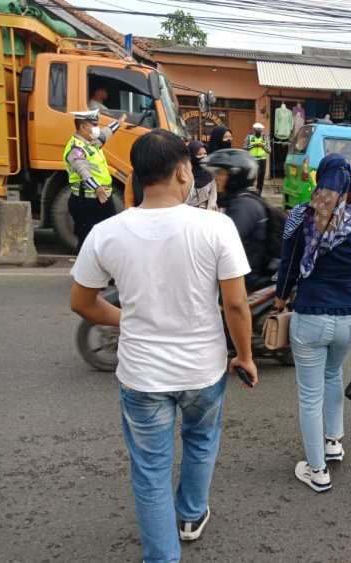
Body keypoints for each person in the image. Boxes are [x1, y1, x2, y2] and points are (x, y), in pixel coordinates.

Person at [69, 129, 256, 562]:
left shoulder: (107, 232)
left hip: (142, 376)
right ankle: (191, 515)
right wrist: (244, 356)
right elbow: (235, 304)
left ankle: (162, 556)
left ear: (137, 176)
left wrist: (127, 319)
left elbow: (82, 302)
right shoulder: (215, 226)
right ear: (181, 172)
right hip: (203, 370)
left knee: (150, 471)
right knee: (201, 440)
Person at [274, 153, 351, 493]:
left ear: (318, 179)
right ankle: (333, 442)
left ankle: (317, 470)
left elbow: (289, 265)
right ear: (350, 183)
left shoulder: (301, 216)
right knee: (333, 374)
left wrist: (280, 298)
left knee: (309, 396)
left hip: (310, 318)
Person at [201, 148, 273, 290]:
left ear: (236, 176)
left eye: (221, 173)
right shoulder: (237, 200)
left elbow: (224, 243)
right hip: (238, 271)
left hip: (246, 277)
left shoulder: (244, 205)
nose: (217, 177)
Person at [64, 109, 126, 252]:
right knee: (87, 240)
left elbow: (106, 133)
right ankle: (84, 273)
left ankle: (104, 271)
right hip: (87, 202)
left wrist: (119, 122)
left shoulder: (91, 143)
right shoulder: (76, 149)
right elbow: (83, 170)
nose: (97, 128)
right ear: (83, 127)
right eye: (94, 124)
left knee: (108, 238)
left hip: (103, 198)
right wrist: (97, 188)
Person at [185, 141, 218, 210]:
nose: (203, 156)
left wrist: (209, 212)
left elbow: (213, 195)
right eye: (199, 154)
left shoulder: (210, 172)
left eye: (205, 154)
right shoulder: (185, 175)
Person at [243, 122, 271, 196]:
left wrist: (263, 146)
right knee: (250, 177)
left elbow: (269, 150)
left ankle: (258, 194)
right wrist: (253, 145)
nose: (259, 132)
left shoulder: (265, 138)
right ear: (254, 130)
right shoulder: (249, 137)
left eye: (260, 131)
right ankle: (250, 194)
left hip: (262, 160)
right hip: (252, 159)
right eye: (257, 131)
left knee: (261, 178)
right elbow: (244, 148)